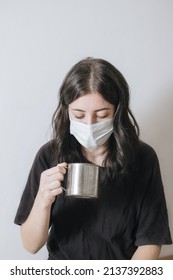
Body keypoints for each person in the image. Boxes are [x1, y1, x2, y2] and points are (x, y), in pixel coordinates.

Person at [14, 57, 172, 260]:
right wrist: (43, 199)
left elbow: (150, 241)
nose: (90, 124)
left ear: (117, 112)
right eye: (79, 115)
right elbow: (31, 245)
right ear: (66, 111)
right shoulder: (49, 155)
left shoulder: (143, 158)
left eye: (102, 114)